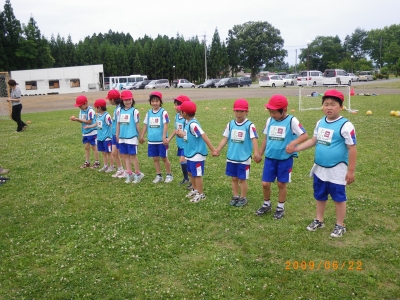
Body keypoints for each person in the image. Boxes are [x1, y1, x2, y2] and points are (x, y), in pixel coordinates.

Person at [290, 90, 357, 238]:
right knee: (320, 195)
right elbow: (314, 140)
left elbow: (352, 148)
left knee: (339, 197)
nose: (329, 107)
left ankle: (340, 225)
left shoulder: (346, 125)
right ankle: (319, 220)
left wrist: (351, 171)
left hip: (337, 169)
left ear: (341, 106)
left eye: (333, 104)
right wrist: (296, 148)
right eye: (326, 104)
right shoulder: (320, 122)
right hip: (320, 167)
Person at [256, 95, 308, 219]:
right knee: (265, 184)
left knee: (281, 184)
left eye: (274, 112)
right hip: (270, 158)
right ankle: (266, 204)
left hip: (284, 159)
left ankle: (280, 207)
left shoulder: (292, 121)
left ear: (284, 110)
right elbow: (265, 138)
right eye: (270, 111)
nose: (272, 114)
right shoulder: (270, 121)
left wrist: (293, 143)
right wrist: (259, 153)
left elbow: (304, 135)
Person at [213, 99, 262, 207]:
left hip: (244, 159)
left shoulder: (250, 125)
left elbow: (254, 139)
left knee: (242, 179)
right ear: (233, 111)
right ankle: (235, 196)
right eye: (237, 111)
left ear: (246, 112)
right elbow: (225, 138)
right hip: (231, 157)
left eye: (241, 111)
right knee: (234, 178)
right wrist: (218, 149)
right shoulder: (230, 124)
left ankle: (243, 198)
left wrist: (256, 153)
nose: (239, 114)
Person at [176, 101, 216, 203]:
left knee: (197, 175)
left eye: (181, 111)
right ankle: (195, 189)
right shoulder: (188, 123)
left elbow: (203, 135)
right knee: (190, 172)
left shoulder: (193, 124)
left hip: (196, 154)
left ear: (184, 113)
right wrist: (182, 134)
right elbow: (190, 135)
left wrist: (213, 149)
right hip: (190, 153)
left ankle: (201, 194)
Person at [139, 91, 173, 183]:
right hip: (152, 140)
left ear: (160, 101)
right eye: (152, 101)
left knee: (164, 158)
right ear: (150, 102)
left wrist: (163, 136)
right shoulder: (149, 113)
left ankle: (169, 175)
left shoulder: (163, 112)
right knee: (155, 158)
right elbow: (145, 125)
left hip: (161, 141)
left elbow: (166, 124)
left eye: (156, 101)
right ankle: (159, 175)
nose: (154, 103)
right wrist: (141, 136)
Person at [116, 90, 144, 184]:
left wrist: (140, 136)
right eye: (125, 100)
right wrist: (117, 135)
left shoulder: (135, 111)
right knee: (125, 156)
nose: (128, 102)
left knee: (133, 156)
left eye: (129, 99)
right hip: (122, 137)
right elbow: (118, 124)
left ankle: (138, 174)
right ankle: (129, 173)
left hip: (132, 137)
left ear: (132, 99)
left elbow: (137, 125)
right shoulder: (119, 110)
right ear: (122, 101)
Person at [165, 95, 191, 188]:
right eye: (175, 105)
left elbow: (188, 132)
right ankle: (186, 178)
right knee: (183, 162)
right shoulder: (177, 116)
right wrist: (169, 139)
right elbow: (176, 130)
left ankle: (192, 181)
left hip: (187, 144)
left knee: (183, 161)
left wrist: (182, 134)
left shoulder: (186, 118)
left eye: (177, 105)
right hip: (180, 144)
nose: (175, 107)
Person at [70, 95, 100, 168]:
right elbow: (82, 121)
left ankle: (97, 162)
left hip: (92, 131)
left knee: (94, 147)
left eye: (80, 105)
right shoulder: (81, 111)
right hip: (85, 132)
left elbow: (89, 121)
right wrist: (76, 120)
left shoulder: (90, 111)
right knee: (86, 147)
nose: (79, 107)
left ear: (86, 103)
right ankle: (87, 162)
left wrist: (77, 119)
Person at [83, 99, 113, 172]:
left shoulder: (107, 116)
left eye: (96, 107)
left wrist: (112, 135)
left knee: (109, 153)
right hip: (100, 138)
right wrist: (89, 126)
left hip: (107, 138)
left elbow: (111, 125)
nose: (95, 109)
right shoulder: (99, 115)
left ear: (99, 107)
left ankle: (112, 166)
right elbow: (96, 124)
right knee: (103, 152)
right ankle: (105, 166)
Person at [106, 89, 125, 177]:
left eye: (109, 100)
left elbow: (120, 123)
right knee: (114, 153)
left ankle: (125, 170)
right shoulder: (116, 108)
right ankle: (120, 169)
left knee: (121, 153)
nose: (109, 101)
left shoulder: (120, 109)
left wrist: (119, 134)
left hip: (119, 134)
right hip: (114, 134)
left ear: (112, 100)